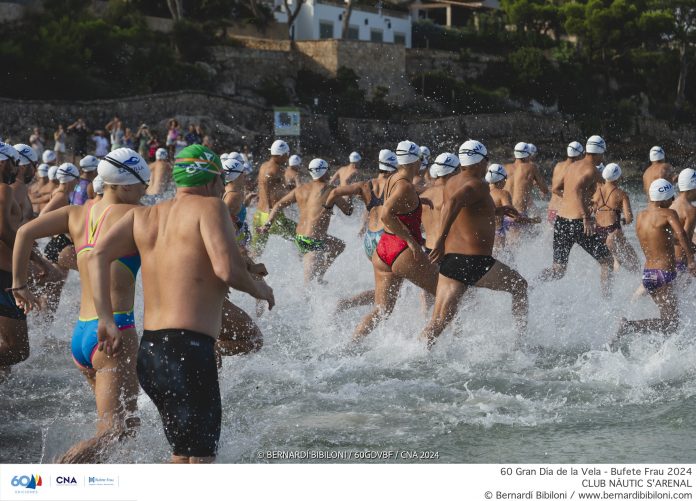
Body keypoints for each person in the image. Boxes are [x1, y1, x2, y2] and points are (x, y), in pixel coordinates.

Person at [88, 144, 274, 464]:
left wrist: (105, 317)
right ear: (210, 179)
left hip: (151, 352)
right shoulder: (211, 208)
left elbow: (97, 255)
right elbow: (225, 270)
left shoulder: (145, 215)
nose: (223, 188)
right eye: (221, 181)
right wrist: (261, 289)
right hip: (188, 350)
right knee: (199, 460)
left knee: (183, 455)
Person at [11, 148, 151, 462]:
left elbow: (23, 232)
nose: (147, 190)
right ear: (126, 185)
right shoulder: (136, 215)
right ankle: (58, 478)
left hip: (83, 337)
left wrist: (19, 285)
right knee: (112, 432)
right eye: (145, 183)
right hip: (114, 331)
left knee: (127, 426)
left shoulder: (78, 213)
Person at [421, 140, 528, 349]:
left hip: (451, 261)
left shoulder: (451, 181)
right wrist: (441, 241)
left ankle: (415, 353)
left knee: (438, 322)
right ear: (480, 161)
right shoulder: (478, 184)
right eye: (486, 160)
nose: (487, 165)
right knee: (519, 286)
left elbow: (462, 210)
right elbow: (453, 204)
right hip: (474, 262)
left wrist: (497, 211)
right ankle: (520, 343)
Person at [353, 141, 439, 341]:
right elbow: (385, 215)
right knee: (446, 295)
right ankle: (424, 345)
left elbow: (397, 203)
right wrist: (411, 241)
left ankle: (351, 344)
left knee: (382, 310)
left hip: (383, 250)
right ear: (416, 161)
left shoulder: (393, 179)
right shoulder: (404, 186)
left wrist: (418, 200)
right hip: (402, 251)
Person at [612, 179, 696, 347]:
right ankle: (629, 326)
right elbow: (682, 235)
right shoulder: (668, 214)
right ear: (663, 198)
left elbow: (662, 240)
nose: (672, 202)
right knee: (671, 324)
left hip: (649, 275)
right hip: (663, 274)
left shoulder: (641, 216)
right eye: (670, 198)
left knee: (669, 321)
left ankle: (658, 348)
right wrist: (691, 261)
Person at [539, 136, 614, 296]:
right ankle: (608, 302)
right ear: (598, 153)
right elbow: (578, 190)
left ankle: (534, 283)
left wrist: (573, 201)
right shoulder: (592, 169)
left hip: (561, 222)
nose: (603, 157)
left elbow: (556, 189)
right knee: (607, 261)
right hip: (578, 223)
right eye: (603, 154)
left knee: (558, 270)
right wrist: (586, 216)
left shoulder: (571, 167)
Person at [264, 159, 351, 283]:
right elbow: (348, 211)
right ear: (324, 172)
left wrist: (267, 224)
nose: (329, 174)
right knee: (308, 288)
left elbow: (278, 205)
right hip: (314, 242)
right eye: (328, 171)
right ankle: (318, 278)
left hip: (300, 238)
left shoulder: (301, 189)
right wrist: (350, 195)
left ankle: (321, 274)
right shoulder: (331, 190)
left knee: (339, 246)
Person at [333, 149, 397, 313]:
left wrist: (330, 207)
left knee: (383, 287)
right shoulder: (395, 185)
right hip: (385, 237)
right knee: (388, 291)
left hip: (370, 238)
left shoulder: (368, 184)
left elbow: (335, 190)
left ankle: (348, 304)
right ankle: (351, 307)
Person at [0, 142, 29, 377]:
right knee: (19, 350)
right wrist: (30, 255)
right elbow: (4, 230)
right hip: (4, 277)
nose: (16, 168)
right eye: (14, 162)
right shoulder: (3, 189)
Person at [251, 140, 296, 256]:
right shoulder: (277, 169)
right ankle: (307, 266)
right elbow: (270, 186)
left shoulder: (263, 166)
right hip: (271, 216)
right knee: (303, 236)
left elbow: (266, 185)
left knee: (255, 253)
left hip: (259, 214)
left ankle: (249, 273)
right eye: (287, 155)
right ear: (281, 155)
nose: (288, 158)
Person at [592, 163, 640, 272]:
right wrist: (624, 220)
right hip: (613, 231)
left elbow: (592, 211)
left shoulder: (596, 192)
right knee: (635, 263)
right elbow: (629, 218)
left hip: (598, 231)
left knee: (606, 266)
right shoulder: (621, 194)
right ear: (618, 176)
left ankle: (606, 289)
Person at [504, 141, 549, 220]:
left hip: (504, 214)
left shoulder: (505, 168)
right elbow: (545, 190)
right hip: (518, 214)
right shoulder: (531, 167)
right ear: (527, 155)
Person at [548, 141, 584, 225]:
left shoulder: (558, 165)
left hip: (551, 209)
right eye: (582, 154)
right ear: (578, 155)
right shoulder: (574, 169)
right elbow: (555, 190)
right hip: (562, 211)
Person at [670, 168, 696, 274]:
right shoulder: (690, 210)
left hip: (669, 260)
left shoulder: (671, 205)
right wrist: (691, 261)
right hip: (682, 262)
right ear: (693, 188)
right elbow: (684, 238)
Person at [486, 163, 513, 253]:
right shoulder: (503, 193)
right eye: (505, 179)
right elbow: (512, 215)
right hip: (497, 236)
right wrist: (531, 221)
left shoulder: (481, 191)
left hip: (481, 235)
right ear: (500, 179)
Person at [11, 144, 37, 224]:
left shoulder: (17, 185)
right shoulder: (17, 187)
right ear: (24, 167)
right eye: (35, 165)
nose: (35, 170)